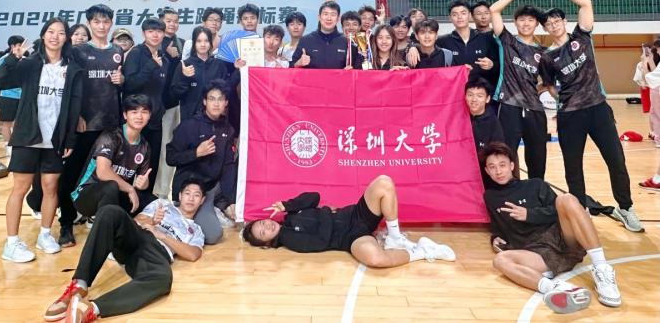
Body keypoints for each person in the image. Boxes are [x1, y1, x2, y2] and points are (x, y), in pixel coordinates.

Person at [538, 0, 642, 232]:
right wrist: (565, 98)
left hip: (598, 109)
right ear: (545, 29)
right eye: (549, 24)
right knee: (573, 166)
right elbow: (549, 86)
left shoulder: (581, 37)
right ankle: (580, 211)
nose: (554, 25)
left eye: (557, 20)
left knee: (616, 160)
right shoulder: (548, 57)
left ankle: (626, 208)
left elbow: (585, 3)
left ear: (564, 21)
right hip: (570, 115)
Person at [481, 142, 622, 314]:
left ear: (512, 165)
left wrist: (529, 214)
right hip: (538, 254)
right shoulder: (490, 197)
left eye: (502, 165)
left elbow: (558, 212)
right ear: (487, 171)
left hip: (563, 240)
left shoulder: (535, 185)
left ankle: (602, 269)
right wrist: (495, 237)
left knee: (566, 199)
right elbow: (497, 225)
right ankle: (558, 289)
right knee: (500, 260)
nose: (498, 171)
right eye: (492, 167)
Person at [0, 17, 83, 263]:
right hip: (28, 136)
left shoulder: (72, 69)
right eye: (50, 31)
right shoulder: (29, 64)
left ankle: (45, 234)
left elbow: (74, 106)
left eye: (60, 32)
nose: (55, 36)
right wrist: (13, 58)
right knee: (20, 188)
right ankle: (11, 243)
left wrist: (70, 139)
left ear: (66, 38)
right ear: (43, 35)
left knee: (51, 187)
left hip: (55, 139)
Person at [44, 178, 206, 322]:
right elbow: (137, 219)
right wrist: (153, 220)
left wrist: (162, 236)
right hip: (137, 236)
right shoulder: (162, 204)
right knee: (110, 211)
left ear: (202, 200)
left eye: (196, 195)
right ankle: (79, 286)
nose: (191, 198)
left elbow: (192, 254)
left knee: (163, 278)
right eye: (187, 193)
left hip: (157, 253)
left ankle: (92, 308)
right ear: (180, 196)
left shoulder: (196, 230)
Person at [242, 175, 455, 267]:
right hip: (350, 238)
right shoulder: (290, 239)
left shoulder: (291, 213)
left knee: (383, 182)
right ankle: (423, 252)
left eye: (262, 223)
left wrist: (287, 205)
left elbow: (314, 196)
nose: (266, 226)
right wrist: (327, 212)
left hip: (353, 215)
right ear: (266, 242)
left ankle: (395, 237)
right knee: (375, 260)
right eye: (263, 232)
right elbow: (321, 241)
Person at [59, 4, 126, 247]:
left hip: (110, 125)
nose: (101, 26)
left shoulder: (117, 51)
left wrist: (122, 80)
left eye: (106, 22)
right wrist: (75, 116)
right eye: (96, 22)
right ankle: (66, 223)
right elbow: (70, 87)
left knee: (105, 176)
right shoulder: (78, 51)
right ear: (89, 24)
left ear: (111, 24)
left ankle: (98, 218)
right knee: (71, 175)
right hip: (84, 125)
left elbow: (121, 85)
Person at [166, 80, 237, 244]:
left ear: (226, 103)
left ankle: (220, 204)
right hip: (193, 190)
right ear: (205, 101)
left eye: (220, 99)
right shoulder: (188, 126)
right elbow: (171, 158)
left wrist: (231, 200)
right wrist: (196, 153)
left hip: (213, 188)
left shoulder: (228, 130)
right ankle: (203, 208)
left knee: (238, 169)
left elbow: (228, 167)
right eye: (212, 99)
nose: (216, 104)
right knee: (213, 235)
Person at [490, 0, 548, 180]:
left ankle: (536, 190)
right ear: (515, 22)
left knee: (537, 157)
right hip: (509, 106)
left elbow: (547, 82)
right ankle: (509, 191)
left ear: (537, 24)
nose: (526, 23)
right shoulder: (507, 41)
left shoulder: (543, 52)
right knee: (506, 153)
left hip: (535, 110)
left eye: (531, 20)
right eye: (522, 19)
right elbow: (494, 10)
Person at [71, 94, 155, 219]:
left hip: (117, 194)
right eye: (134, 112)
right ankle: (101, 226)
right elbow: (103, 172)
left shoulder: (145, 146)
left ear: (150, 115)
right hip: (85, 195)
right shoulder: (111, 137)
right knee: (111, 187)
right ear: (125, 115)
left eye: (144, 112)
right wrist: (130, 189)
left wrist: (144, 183)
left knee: (152, 202)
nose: (139, 116)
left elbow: (143, 178)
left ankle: (130, 228)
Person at [123, 18, 168, 193]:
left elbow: (164, 92)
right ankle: (124, 200)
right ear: (143, 33)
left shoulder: (164, 58)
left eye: (159, 31)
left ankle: (144, 203)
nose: (155, 35)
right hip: (135, 121)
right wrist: (151, 65)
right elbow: (130, 84)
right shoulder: (136, 54)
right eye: (150, 31)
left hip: (155, 121)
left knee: (150, 166)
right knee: (128, 163)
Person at [409, 1, 499, 84]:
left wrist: (492, 65)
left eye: (463, 13)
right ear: (450, 18)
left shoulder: (486, 38)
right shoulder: (443, 41)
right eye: (455, 14)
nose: (459, 17)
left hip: (481, 91)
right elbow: (424, 43)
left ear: (470, 16)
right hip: (454, 90)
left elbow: (500, 64)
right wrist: (412, 47)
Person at [171, 26, 230, 121]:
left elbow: (226, 90)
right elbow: (175, 94)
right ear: (194, 43)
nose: (203, 44)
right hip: (190, 117)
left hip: (214, 117)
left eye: (206, 41)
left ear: (210, 43)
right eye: (199, 41)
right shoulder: (185, 64)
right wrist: (185, 78)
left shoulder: (219, 64)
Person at [157, 8, 184, 200]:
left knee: (177, 148)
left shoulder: (182, 43)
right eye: (169, 20)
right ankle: (159, 191)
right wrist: (165, 53)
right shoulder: (155, 44)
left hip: (180, 104)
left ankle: (171, 190)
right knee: (163, 148)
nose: (172, 24)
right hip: (161, 106)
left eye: (175, 21)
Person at [291, 1, 359, 69]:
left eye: (333, 14)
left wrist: (351, 70)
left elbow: (357, 68)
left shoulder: (347, 42)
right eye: (325, 14)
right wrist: (298, 63)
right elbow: (291, 67)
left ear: (338, 18)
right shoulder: (306, 40)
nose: (329, 18)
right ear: (319, 17)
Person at [0, 36, 25, 150]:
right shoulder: (3, 60)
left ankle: (19, 145)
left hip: (23, 95)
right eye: (20, 45)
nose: (23, 47)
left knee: (21, 122)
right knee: (6, 123)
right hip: (7, 95)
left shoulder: (25, 59)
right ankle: (8, 146)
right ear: (13, 46)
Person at [465, 78, 504, 151]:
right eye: (470, 95)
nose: (474, 99)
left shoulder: (493, 123)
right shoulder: (458, 118)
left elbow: (498, 151)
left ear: (487, 99)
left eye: (479, 96)